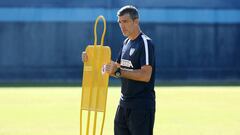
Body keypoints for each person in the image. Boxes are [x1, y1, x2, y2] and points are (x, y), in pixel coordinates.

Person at [82, 5, 156, 135]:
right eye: (120, 22)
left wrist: (118, 71)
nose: (122, 26)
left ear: (136, 21)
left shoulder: (145, 43)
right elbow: (115, 68)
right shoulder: (126, 43)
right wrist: (91, 59)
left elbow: (145, 75)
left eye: (126, 21)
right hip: (123, 104)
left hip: (141, 107)